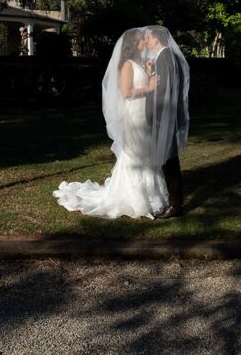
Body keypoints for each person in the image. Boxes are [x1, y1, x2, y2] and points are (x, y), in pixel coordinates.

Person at [53, 26, 189, 219]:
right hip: (134, 115)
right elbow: (126, 92)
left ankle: (154, 194)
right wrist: (148, 88)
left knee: (149, 154)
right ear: (135, 44)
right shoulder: (126, 64)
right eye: (142, 40)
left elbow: (154, 84)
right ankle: (135, 197)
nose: (145, 42)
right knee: (135, 155)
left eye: (146, 38)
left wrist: (149, 74)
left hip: (146, 114)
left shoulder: (142, 62)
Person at [142, 25, 190, 217]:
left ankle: (176, 205)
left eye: (149, 38)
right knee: (167, 160)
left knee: (169, 161)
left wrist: (157, 116)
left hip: (164, 117)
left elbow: (164, 91)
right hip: (165, 116)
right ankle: (174, 202)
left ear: (156, 39)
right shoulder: (166, 57)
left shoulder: (165, 57)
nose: (147, 42)